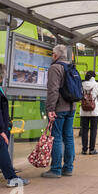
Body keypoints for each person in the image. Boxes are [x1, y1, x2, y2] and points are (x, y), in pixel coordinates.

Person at [42, 45, 76, 178]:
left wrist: (50, 109)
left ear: (55, 55)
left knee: (56, 137)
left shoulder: (55, 68)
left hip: (59, 108)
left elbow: (53, 90)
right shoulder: (71, 67)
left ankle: (55, 169)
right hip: (71, 107)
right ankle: (68, 168)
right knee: (68, 137)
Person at [80, 71, 98, 155]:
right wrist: (94, 98)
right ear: (93, 77)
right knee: (93, 130)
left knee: (84, 130)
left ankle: (84, 149)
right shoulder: (97, 85)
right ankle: (92, 149)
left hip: (83, 111)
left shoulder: (81, 85)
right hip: (94, 111)